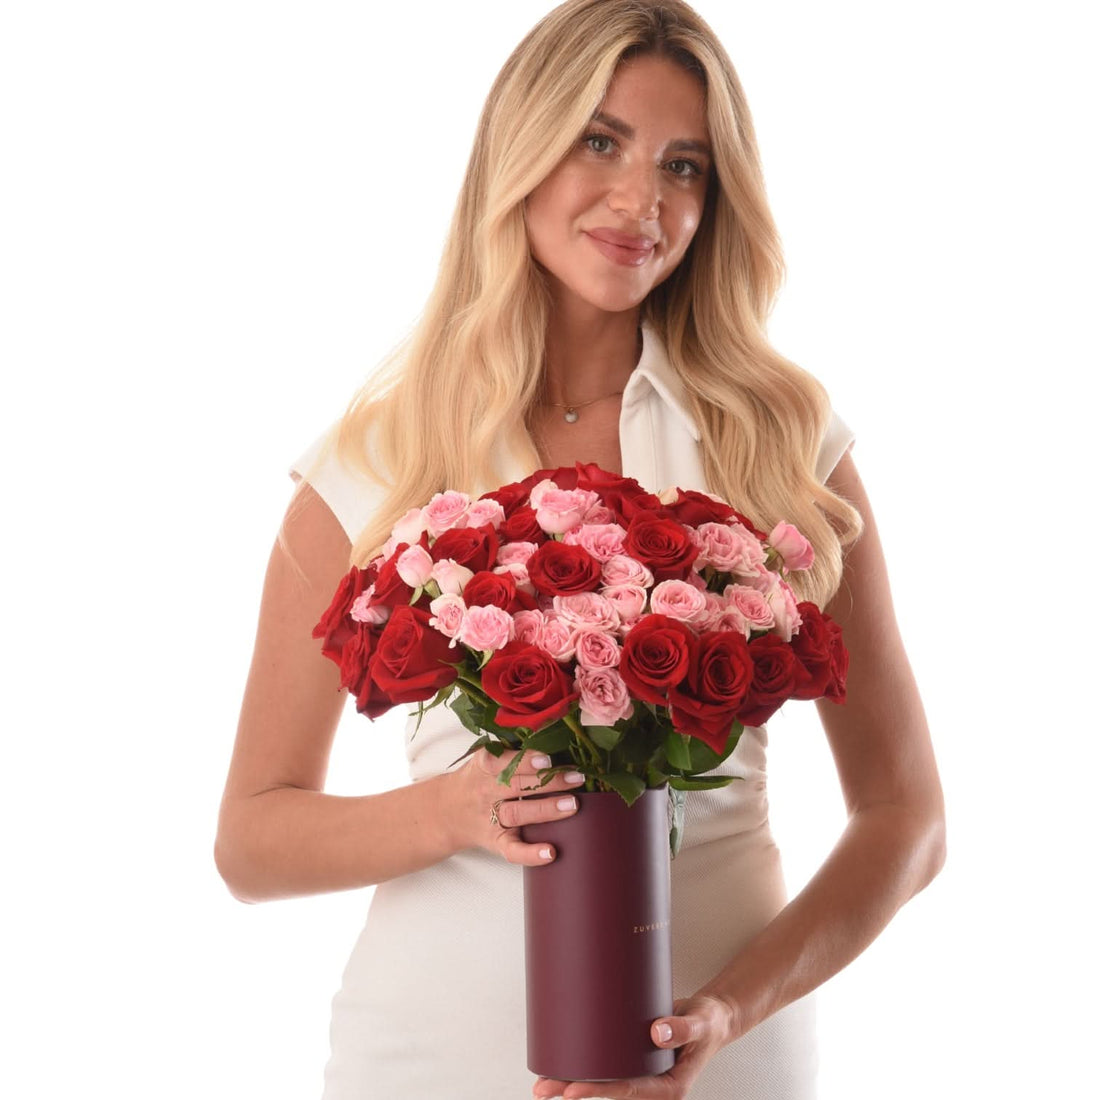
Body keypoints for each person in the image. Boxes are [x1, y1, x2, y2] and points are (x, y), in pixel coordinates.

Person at [214, 1, 946, 1097]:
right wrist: (454, 807)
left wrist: (726, 1009)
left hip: (713, 1067)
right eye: (598, 140)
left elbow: (906, 817)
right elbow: (251, 840)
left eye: (683, 165)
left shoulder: (779, 441)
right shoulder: (376, 456)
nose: (640, 200)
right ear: (520, 147)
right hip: (427, 1062)